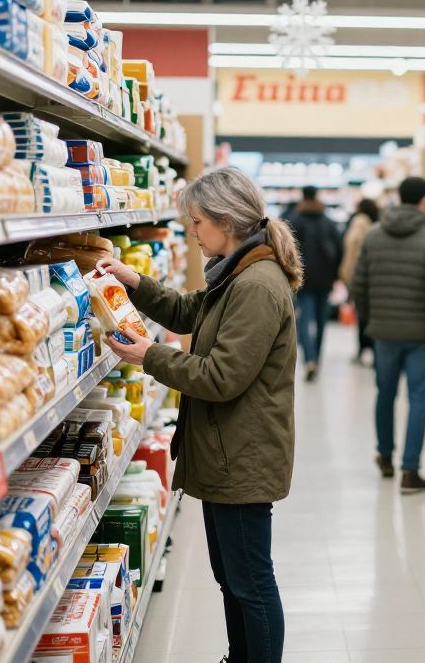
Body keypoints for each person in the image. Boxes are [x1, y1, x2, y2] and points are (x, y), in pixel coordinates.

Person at [97, 166, 302, 663]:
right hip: (225, 449)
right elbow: (192, 311)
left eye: (196, 224)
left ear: (225, 221)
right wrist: (134, 282)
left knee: (250, 582)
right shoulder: (236, 272)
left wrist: (149, 355)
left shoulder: (256, 284)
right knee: (233, 578)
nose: (192, 234)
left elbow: (220, 376)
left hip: (241, 456)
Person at [351, 177, 425, 493]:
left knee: (385, 393)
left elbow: (359, 284)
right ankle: (410, 470)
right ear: (423, 201)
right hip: (420, 332)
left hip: (384, 332)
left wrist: (371, 319)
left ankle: (383, 455)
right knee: (418, 398)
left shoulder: (374, 234)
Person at [286, 185, 342, 381]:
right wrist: (335, 274)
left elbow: (287, 249)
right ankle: (316, 358)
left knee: (303, 319)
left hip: (304, 278)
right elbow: (339, 247)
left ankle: (309, 359)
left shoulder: (295, 220)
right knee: (320, 321)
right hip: (325, 279)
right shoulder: (327, 221)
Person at [339, 198, 380, 363]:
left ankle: (364, 349)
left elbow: (352, 253)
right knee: (370, 315)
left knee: (363, 316)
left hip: (360, 277)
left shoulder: (358, 224)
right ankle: (371, 349)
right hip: (373, 277)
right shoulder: (374, 225)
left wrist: (346, 275)